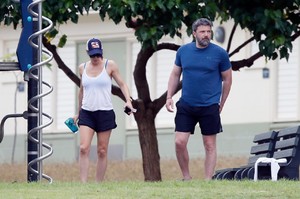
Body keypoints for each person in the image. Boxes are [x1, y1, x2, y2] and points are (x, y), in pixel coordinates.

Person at [165, 18, 232, 180]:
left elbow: (228, 80)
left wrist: (221, 103)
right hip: (187, 105)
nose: (206, 35)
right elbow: (175, 74)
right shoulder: (183, 52)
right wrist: (169, 96)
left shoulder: (220, 54)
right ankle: (186, 177)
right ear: (194, 33)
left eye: (209, 32)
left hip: (209, 105)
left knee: (209, 145)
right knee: (179, 142)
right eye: (202, 32)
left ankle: (208, 180)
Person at [74, 38, 135, 183]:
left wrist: (128, 100)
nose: (95, 58)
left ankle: (98, 184)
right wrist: (78, 112)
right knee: (83, 148)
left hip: (105, 113)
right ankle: (83, 184)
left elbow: (122, 84)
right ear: (87, 52)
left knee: (102, 151)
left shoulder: (110, 65)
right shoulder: (82, 68)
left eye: (98, 54)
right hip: (87, 113)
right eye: (92, 55)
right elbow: (81, 91)